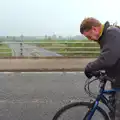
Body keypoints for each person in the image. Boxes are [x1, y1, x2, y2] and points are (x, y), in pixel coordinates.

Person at [80, 17, 120, 120]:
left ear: (94, 29)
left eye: (89, 36)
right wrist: (99, 71)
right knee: (113, 109)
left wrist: (89, 67)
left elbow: (109, 58)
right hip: (117, 79)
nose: (90, 39)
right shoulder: (105, 36)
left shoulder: (112, 33)